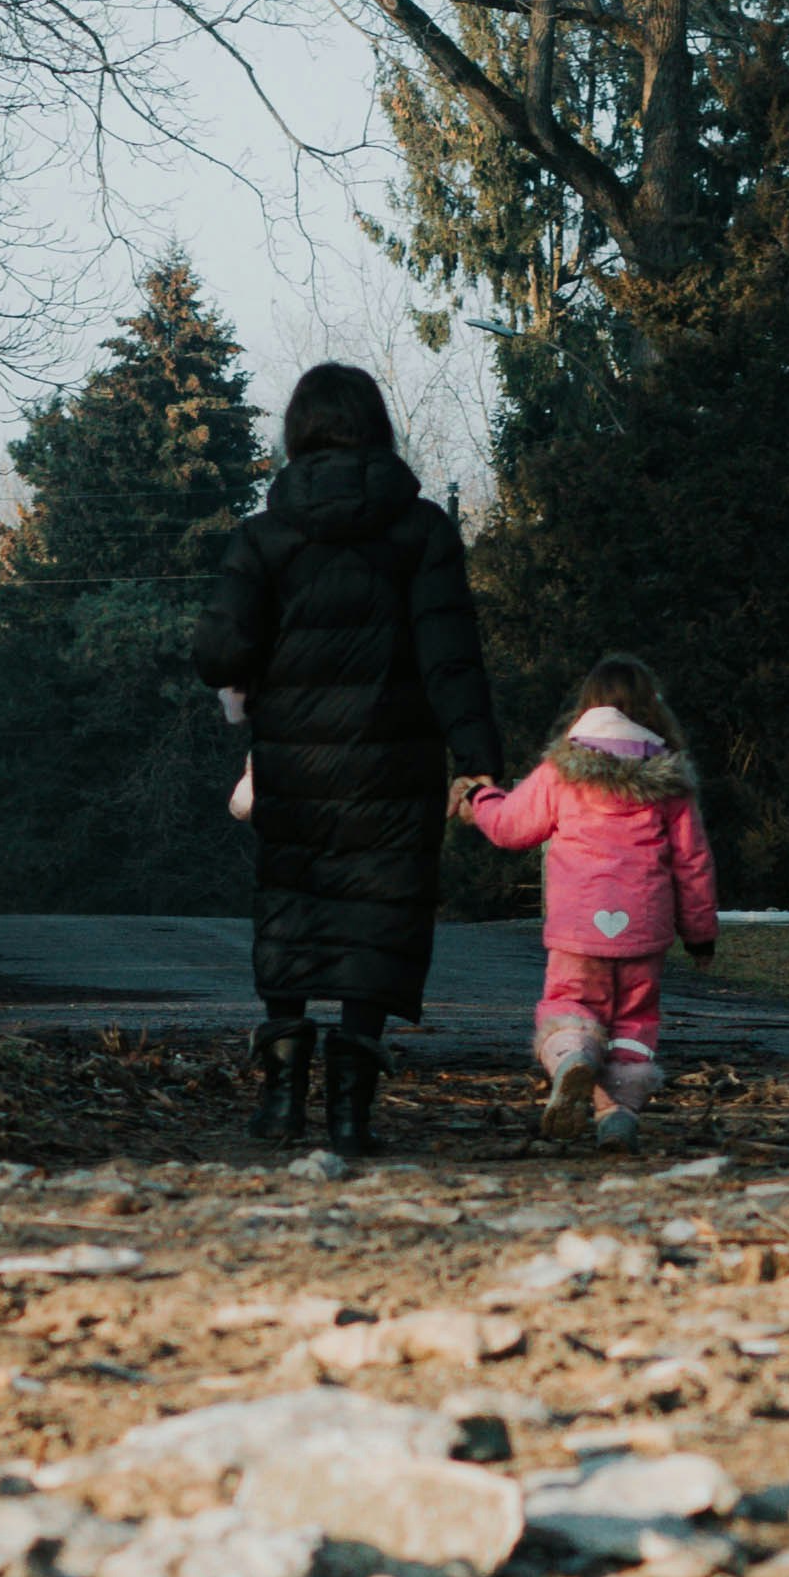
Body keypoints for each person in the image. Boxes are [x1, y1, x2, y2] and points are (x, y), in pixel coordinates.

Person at [194, 363, 504, 1153]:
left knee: (292, 910)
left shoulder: (262, 538)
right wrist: (476, 760)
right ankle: (351, 1115)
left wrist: (255, 665)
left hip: (296, 767)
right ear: (377, 429)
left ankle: (279, 1104)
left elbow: (218, 651)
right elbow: (450, 658)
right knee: (379, 922)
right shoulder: (422, 532)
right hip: (394, 767)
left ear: (297, 433)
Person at [457, 655, 719, 1150]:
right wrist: (700, 935)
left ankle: (573, 1058)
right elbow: (693, 863)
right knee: (634, 1026)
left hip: (578, 930)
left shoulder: (561, 771)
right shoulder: (670, 781)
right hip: (643, 931)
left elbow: (511, 827)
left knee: (568, 1006)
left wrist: (481, 799)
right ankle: (617, 1117)